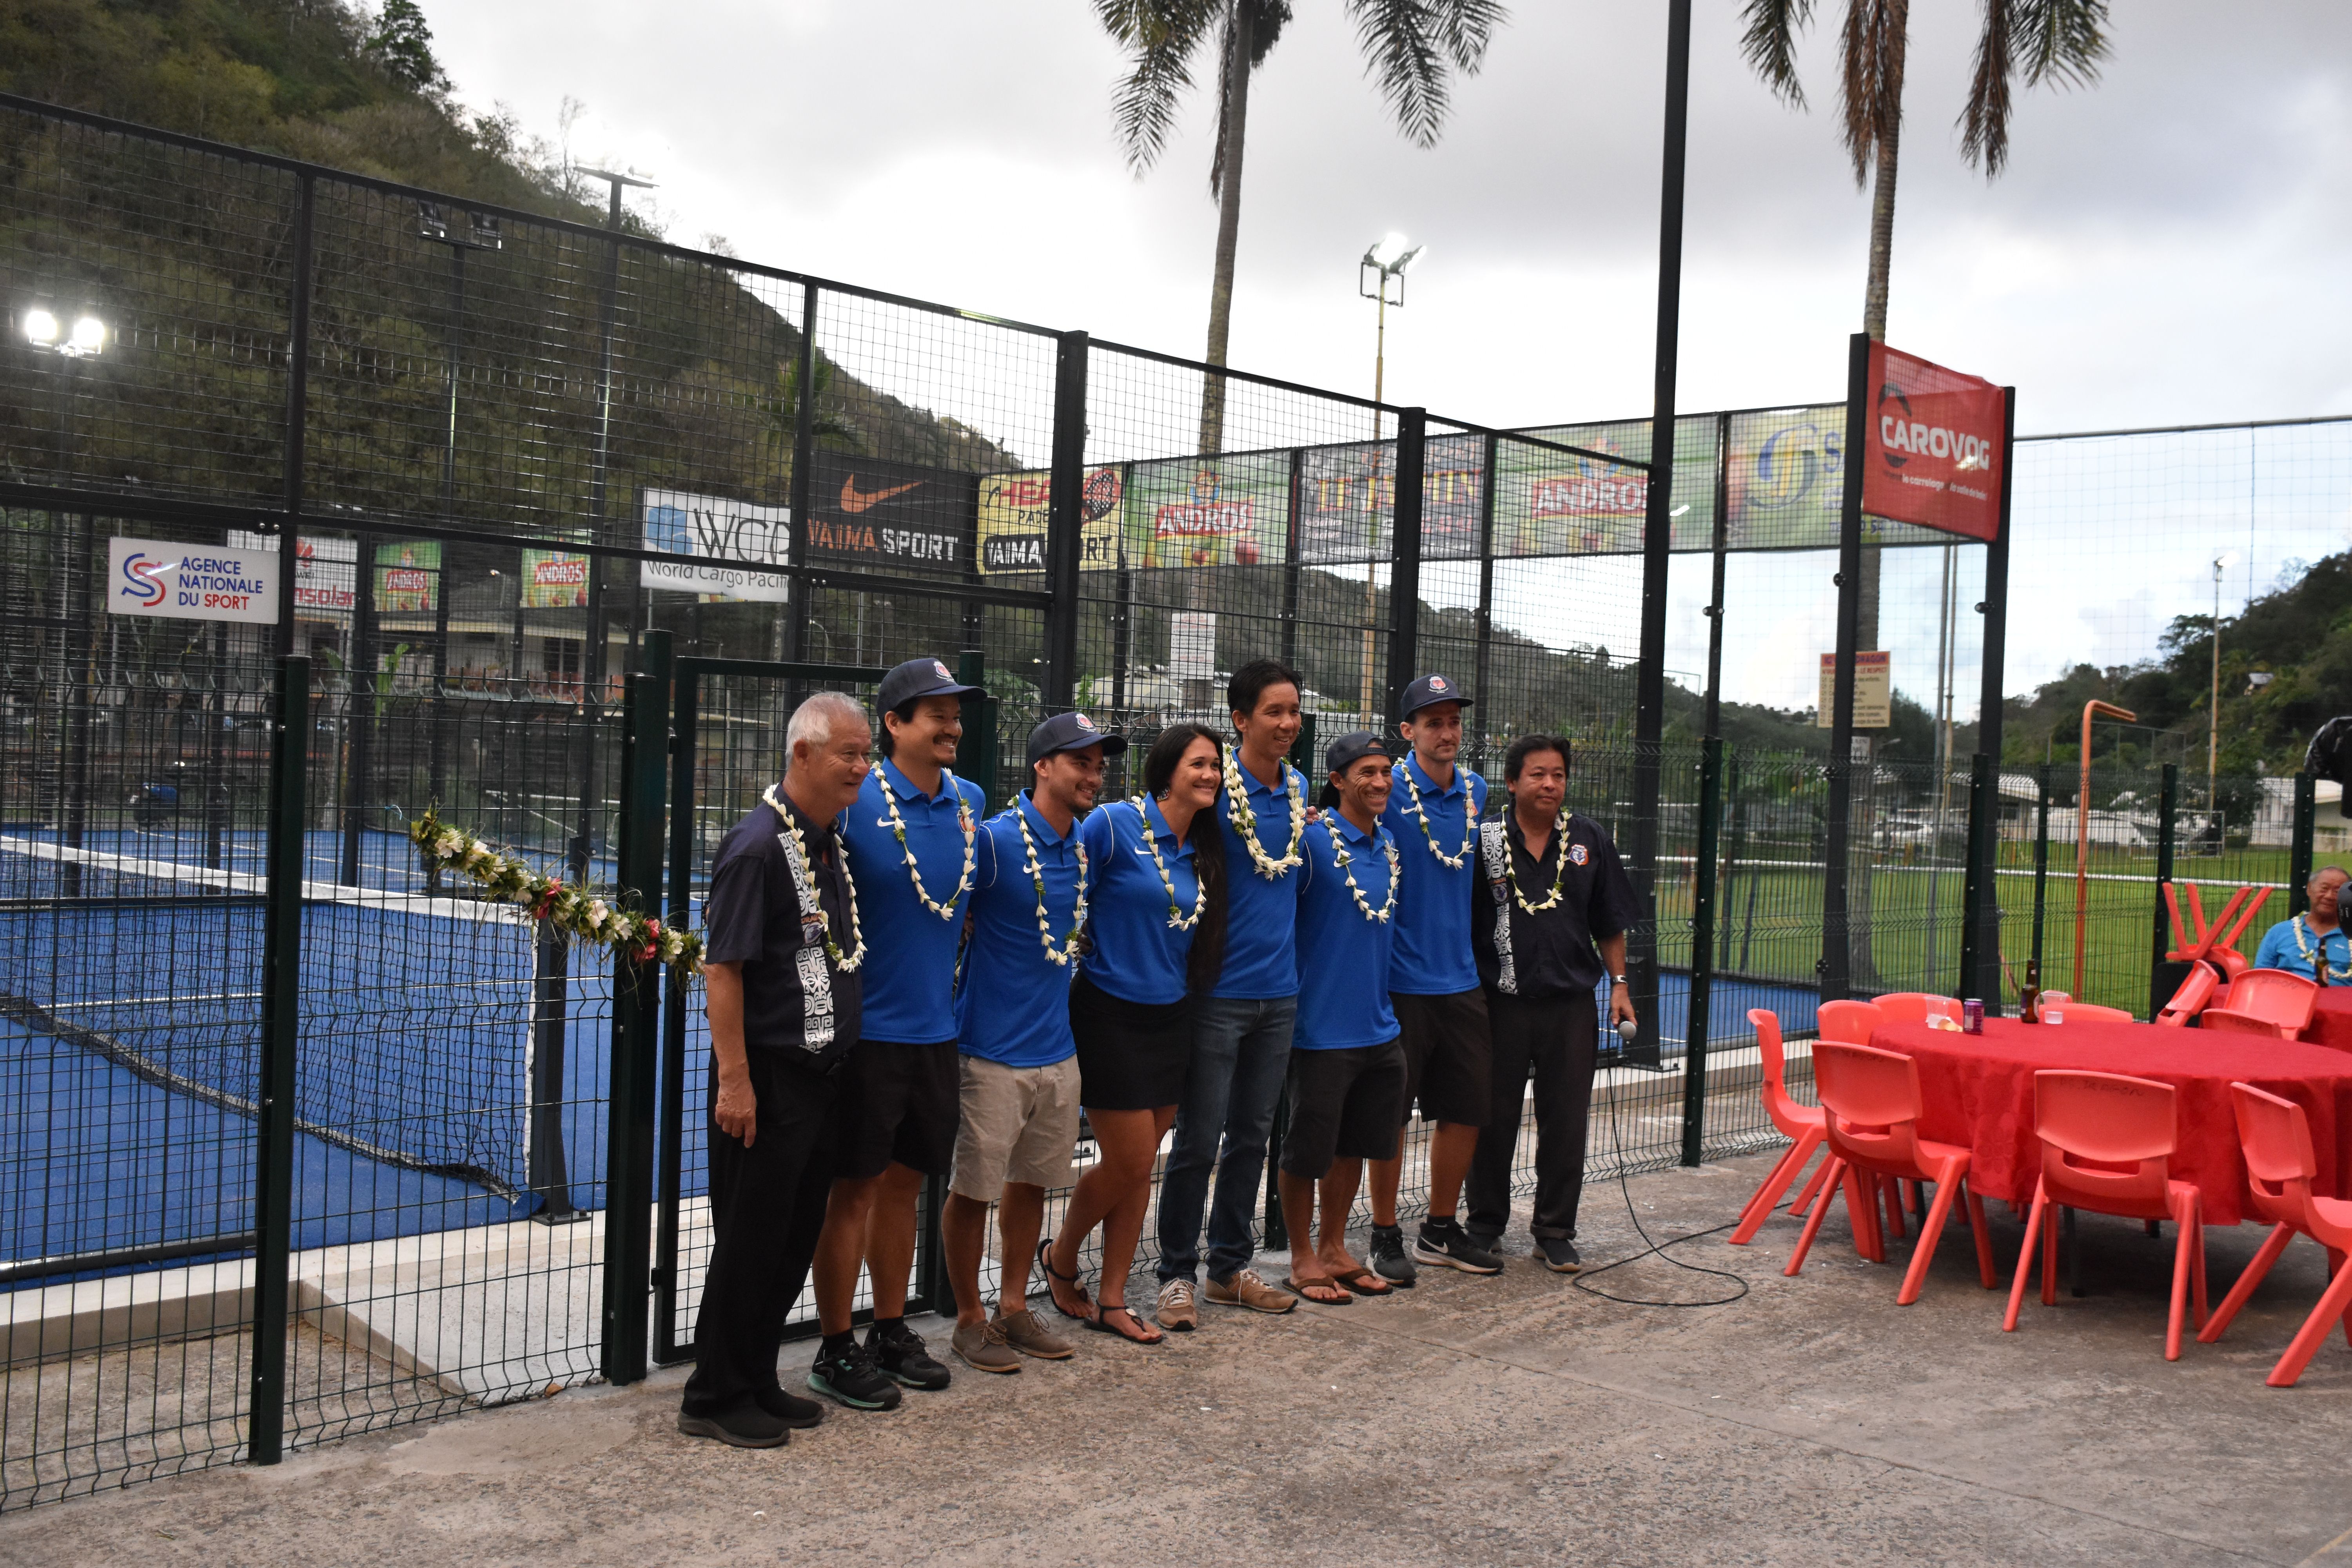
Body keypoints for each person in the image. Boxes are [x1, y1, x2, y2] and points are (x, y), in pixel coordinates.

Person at [677, 690, 872, 1449]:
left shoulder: (827, 841)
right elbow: (722, 969)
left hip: (825, 1073)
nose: (861, 767)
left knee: (793, 1237)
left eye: (866, 754)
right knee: (751, 1240)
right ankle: (713, 1394)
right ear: (803, 755)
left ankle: (756, 1378)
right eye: (848, 754)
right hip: (771, 1077)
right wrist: (736, 1082)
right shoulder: (758, 846)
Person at [811, 656, 985, 1406]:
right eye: (934, 712)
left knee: (907, 1184)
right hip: (866, 1036)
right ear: (893, 725)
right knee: (851, 1190)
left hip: (936, 1034)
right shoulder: (851, 801)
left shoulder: (972, 802)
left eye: (955, 712)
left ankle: (889, 1328)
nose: (951, 725)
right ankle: (833, 1347)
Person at [940, 712, 1125, 1373]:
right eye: (1081, 761)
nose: (1094, 773)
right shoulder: (990, 845)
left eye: (1099, 762)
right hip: (989, 1052)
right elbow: (949, 922)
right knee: (973, 1190)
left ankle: (1014, 1307)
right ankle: (969, 1320)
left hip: (1059, 1050)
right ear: (1043, 766)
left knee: (1030, 1187)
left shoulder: (1085, 845)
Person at [1041, 724, 1228, 1345]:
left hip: (1171, 1017)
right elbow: (1068, 891)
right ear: (1167, 770)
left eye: (1216, 767)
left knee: (1139, 1170)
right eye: (1199, 764)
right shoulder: (1114, 825)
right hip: (1108, 1013)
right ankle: (1062, 1257)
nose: (1210, 775)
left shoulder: (1201, 843)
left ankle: (1116, 1298)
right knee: (1128, 1160)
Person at [1154, 659, 1309, 1328]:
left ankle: (1229, 1268)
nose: (1287, 723)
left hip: (1281, 995)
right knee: (1199, 1138)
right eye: (1273, 712)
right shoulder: (1218, 787)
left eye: (1294, 712)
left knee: (1252, 1135)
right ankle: (1175, 1275)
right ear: (1240, 720)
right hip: (1218, 993)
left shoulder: (1301, 789)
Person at [1465, 735, 1641, 1272]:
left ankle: (1555, 1229)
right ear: (1512, 782)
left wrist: (1619, 985)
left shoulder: (1589, 839)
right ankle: (1484, 1226)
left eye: (1559, 775)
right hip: (1501, 1004)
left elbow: (1609, 921)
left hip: (1571, 1007)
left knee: (1566, 1123)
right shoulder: (1485, 840)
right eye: (1538, 774)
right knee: (1491, 1121)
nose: (1550, 784)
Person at [1368, 674, 1501, 1281]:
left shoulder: (1475, 789)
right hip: (1399, 982)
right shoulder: (1386, 788)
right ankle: (1384, 1232)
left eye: (1453, 722)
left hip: (1462, 982)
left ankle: (1441, 1231)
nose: (1447, 733)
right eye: (1433, 723)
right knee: (1388, 1117)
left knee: (1467, 1109)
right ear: (1409, 732)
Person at [1276, 731, 1408, 1306]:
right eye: (1366, 773)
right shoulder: (1307, 840)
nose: (1379, 782)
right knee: (1306, 1149)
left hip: (1379, 1028)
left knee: (1353, 1145)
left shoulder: (1390, 846)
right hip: (1320, 1030)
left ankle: (1333, 1247)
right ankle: (1301, 1255)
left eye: (1385, 772)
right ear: (1337, 781)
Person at [2252, 866, 2352, 982]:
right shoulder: (2280, 932)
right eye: (2324, 889)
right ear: (2309, 889)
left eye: (2337, 891)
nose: (2330, 896)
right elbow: (2259, 978)